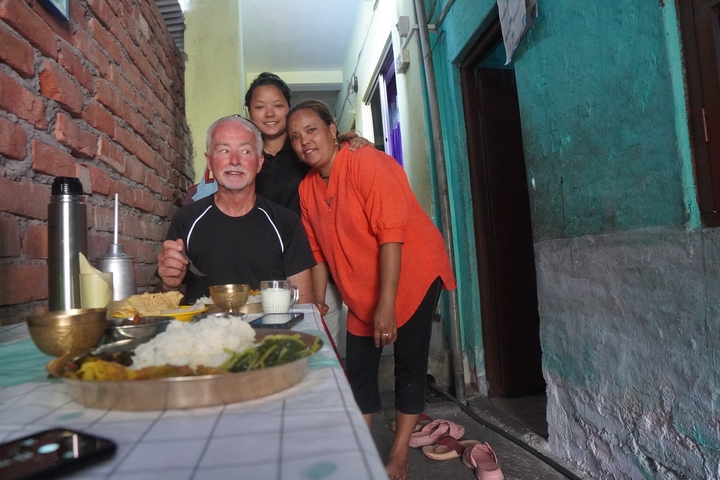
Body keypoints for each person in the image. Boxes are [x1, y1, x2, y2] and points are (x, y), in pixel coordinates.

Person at [287, 100, 456, 480]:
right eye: (295, 137)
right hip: (362, 286)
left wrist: (387, 305)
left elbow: (391, 236)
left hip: (412, 273)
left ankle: (398, 454)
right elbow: (315, 253)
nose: (304, 142)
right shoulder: (306, 189)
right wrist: (316, 303)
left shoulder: (367, 163)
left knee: (408, 367)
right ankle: (359, 445)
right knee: (360, 368)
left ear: (333, 130)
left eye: (311, 130)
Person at [244, 72, 371, 346]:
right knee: (266, 349)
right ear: (249, 112)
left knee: (320, 349)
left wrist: (350, 140)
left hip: (316, 271)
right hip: (263, 273)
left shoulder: (306, 151)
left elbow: (335, 155)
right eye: (259, 106)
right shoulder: (246, 157)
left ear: (288, 109)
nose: (269, 114)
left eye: (278, 105)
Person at [157, 115, 317, 304]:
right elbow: (165, 303)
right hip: (202, 332)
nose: (234, 161)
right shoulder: (187, 219)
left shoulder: (285, 223)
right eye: (224, 150)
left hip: (271, 332)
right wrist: (169, 285)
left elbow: (304, 303)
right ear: (210, 161)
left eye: (245, 151)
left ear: (259, 163)